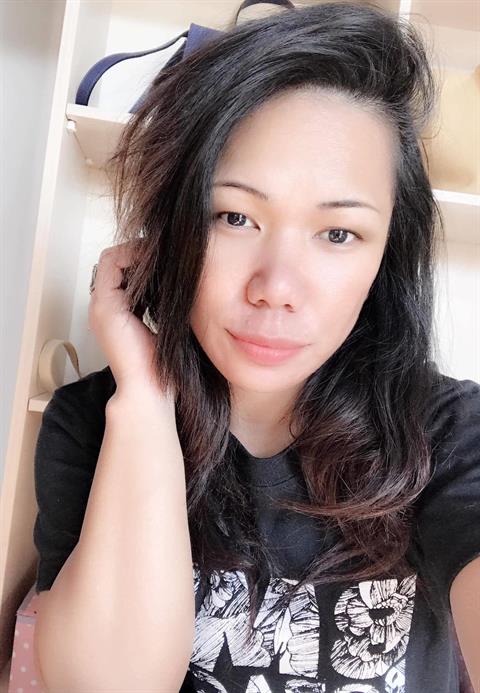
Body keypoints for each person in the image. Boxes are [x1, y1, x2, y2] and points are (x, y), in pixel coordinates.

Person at [32, 2, 480, 692]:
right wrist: (146, 402)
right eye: (235, 216)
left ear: (385, 256)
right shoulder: (91, 424)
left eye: (338, 234)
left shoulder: (450, 434)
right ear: (172, 229)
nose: (276, 288)